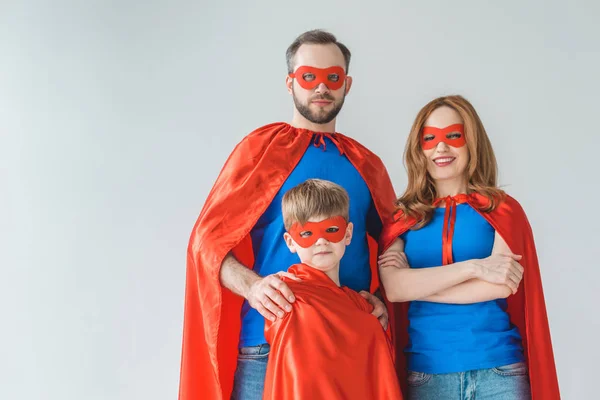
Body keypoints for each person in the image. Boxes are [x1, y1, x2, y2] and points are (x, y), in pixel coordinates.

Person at [178, 30, 396, 400]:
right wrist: (253, 286)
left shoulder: (365, 164)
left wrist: (378, 297)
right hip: (268, 344)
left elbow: (395, 242)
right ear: (290, 82)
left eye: (333, 77)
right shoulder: (259, 152)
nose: (321, 87)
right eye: (309, 76)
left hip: (350, 344)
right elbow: (207, 242)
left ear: (347, 84)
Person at [378, 95, 560, 399]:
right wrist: (474, 268)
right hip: (428, 376)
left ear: (471, 142)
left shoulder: (502, 210)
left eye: (453, 136)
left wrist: (418, 284)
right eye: (430, 139)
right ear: (418, 148)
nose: (441, 148)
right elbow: (394, 290)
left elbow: (502, 283)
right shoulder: (403, 217)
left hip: (499, 372)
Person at [261, 179, 402, 400]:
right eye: (307, 233)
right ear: (290, 241)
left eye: (331, 229)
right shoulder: (287, 297)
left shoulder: (361, 305)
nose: (321, 241)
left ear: (348, 234)